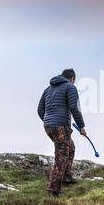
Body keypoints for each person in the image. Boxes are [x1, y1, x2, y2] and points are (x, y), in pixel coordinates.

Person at [37, 68, 86, 197]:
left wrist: (49, 121)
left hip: (48, 126)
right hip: (61, 127)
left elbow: (40, 109)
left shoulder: (48, 89)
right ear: (72, 79)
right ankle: (54, 189)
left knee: (71, 147)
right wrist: (81, 126)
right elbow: (74, 107)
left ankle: (67, 176)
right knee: (62, 156)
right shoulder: (70, 87)